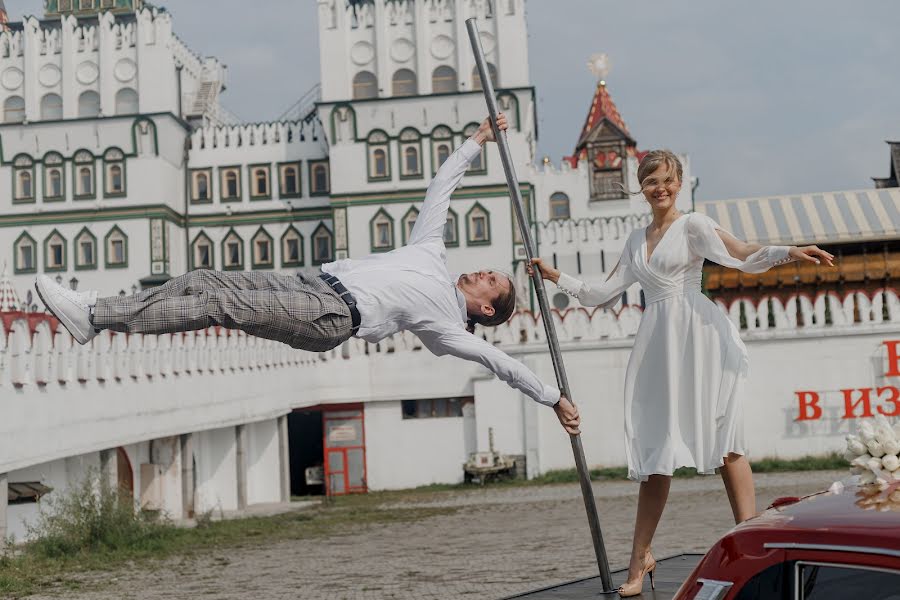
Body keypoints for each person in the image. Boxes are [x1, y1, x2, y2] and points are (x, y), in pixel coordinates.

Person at [35, 113, 581, 436]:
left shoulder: (448, 328)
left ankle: (93, 315)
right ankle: (93, 316)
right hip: (312, 285)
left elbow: (500, 362)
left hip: (330, 315)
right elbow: (441, 189)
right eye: (492, 272)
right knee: (203, 281)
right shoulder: (430, 252)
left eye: (495, 283)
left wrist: (552, 396)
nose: (487, 272)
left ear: (488, 307)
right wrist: (477, 141)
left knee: (213, 303)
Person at [528, 149, 833, 597]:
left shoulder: (694, 225)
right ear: (640, 187)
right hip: (658, 347)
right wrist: (557, 278)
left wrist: (788, 251)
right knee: (657, 454)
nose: (661, 188)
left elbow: (741, 253)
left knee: (726, 442)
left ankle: (749, 548)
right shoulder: (635, 240)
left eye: (668, 179)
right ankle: (639, 558)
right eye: (652, 181)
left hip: (700, 339)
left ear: (680, 180)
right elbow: (600, 293)